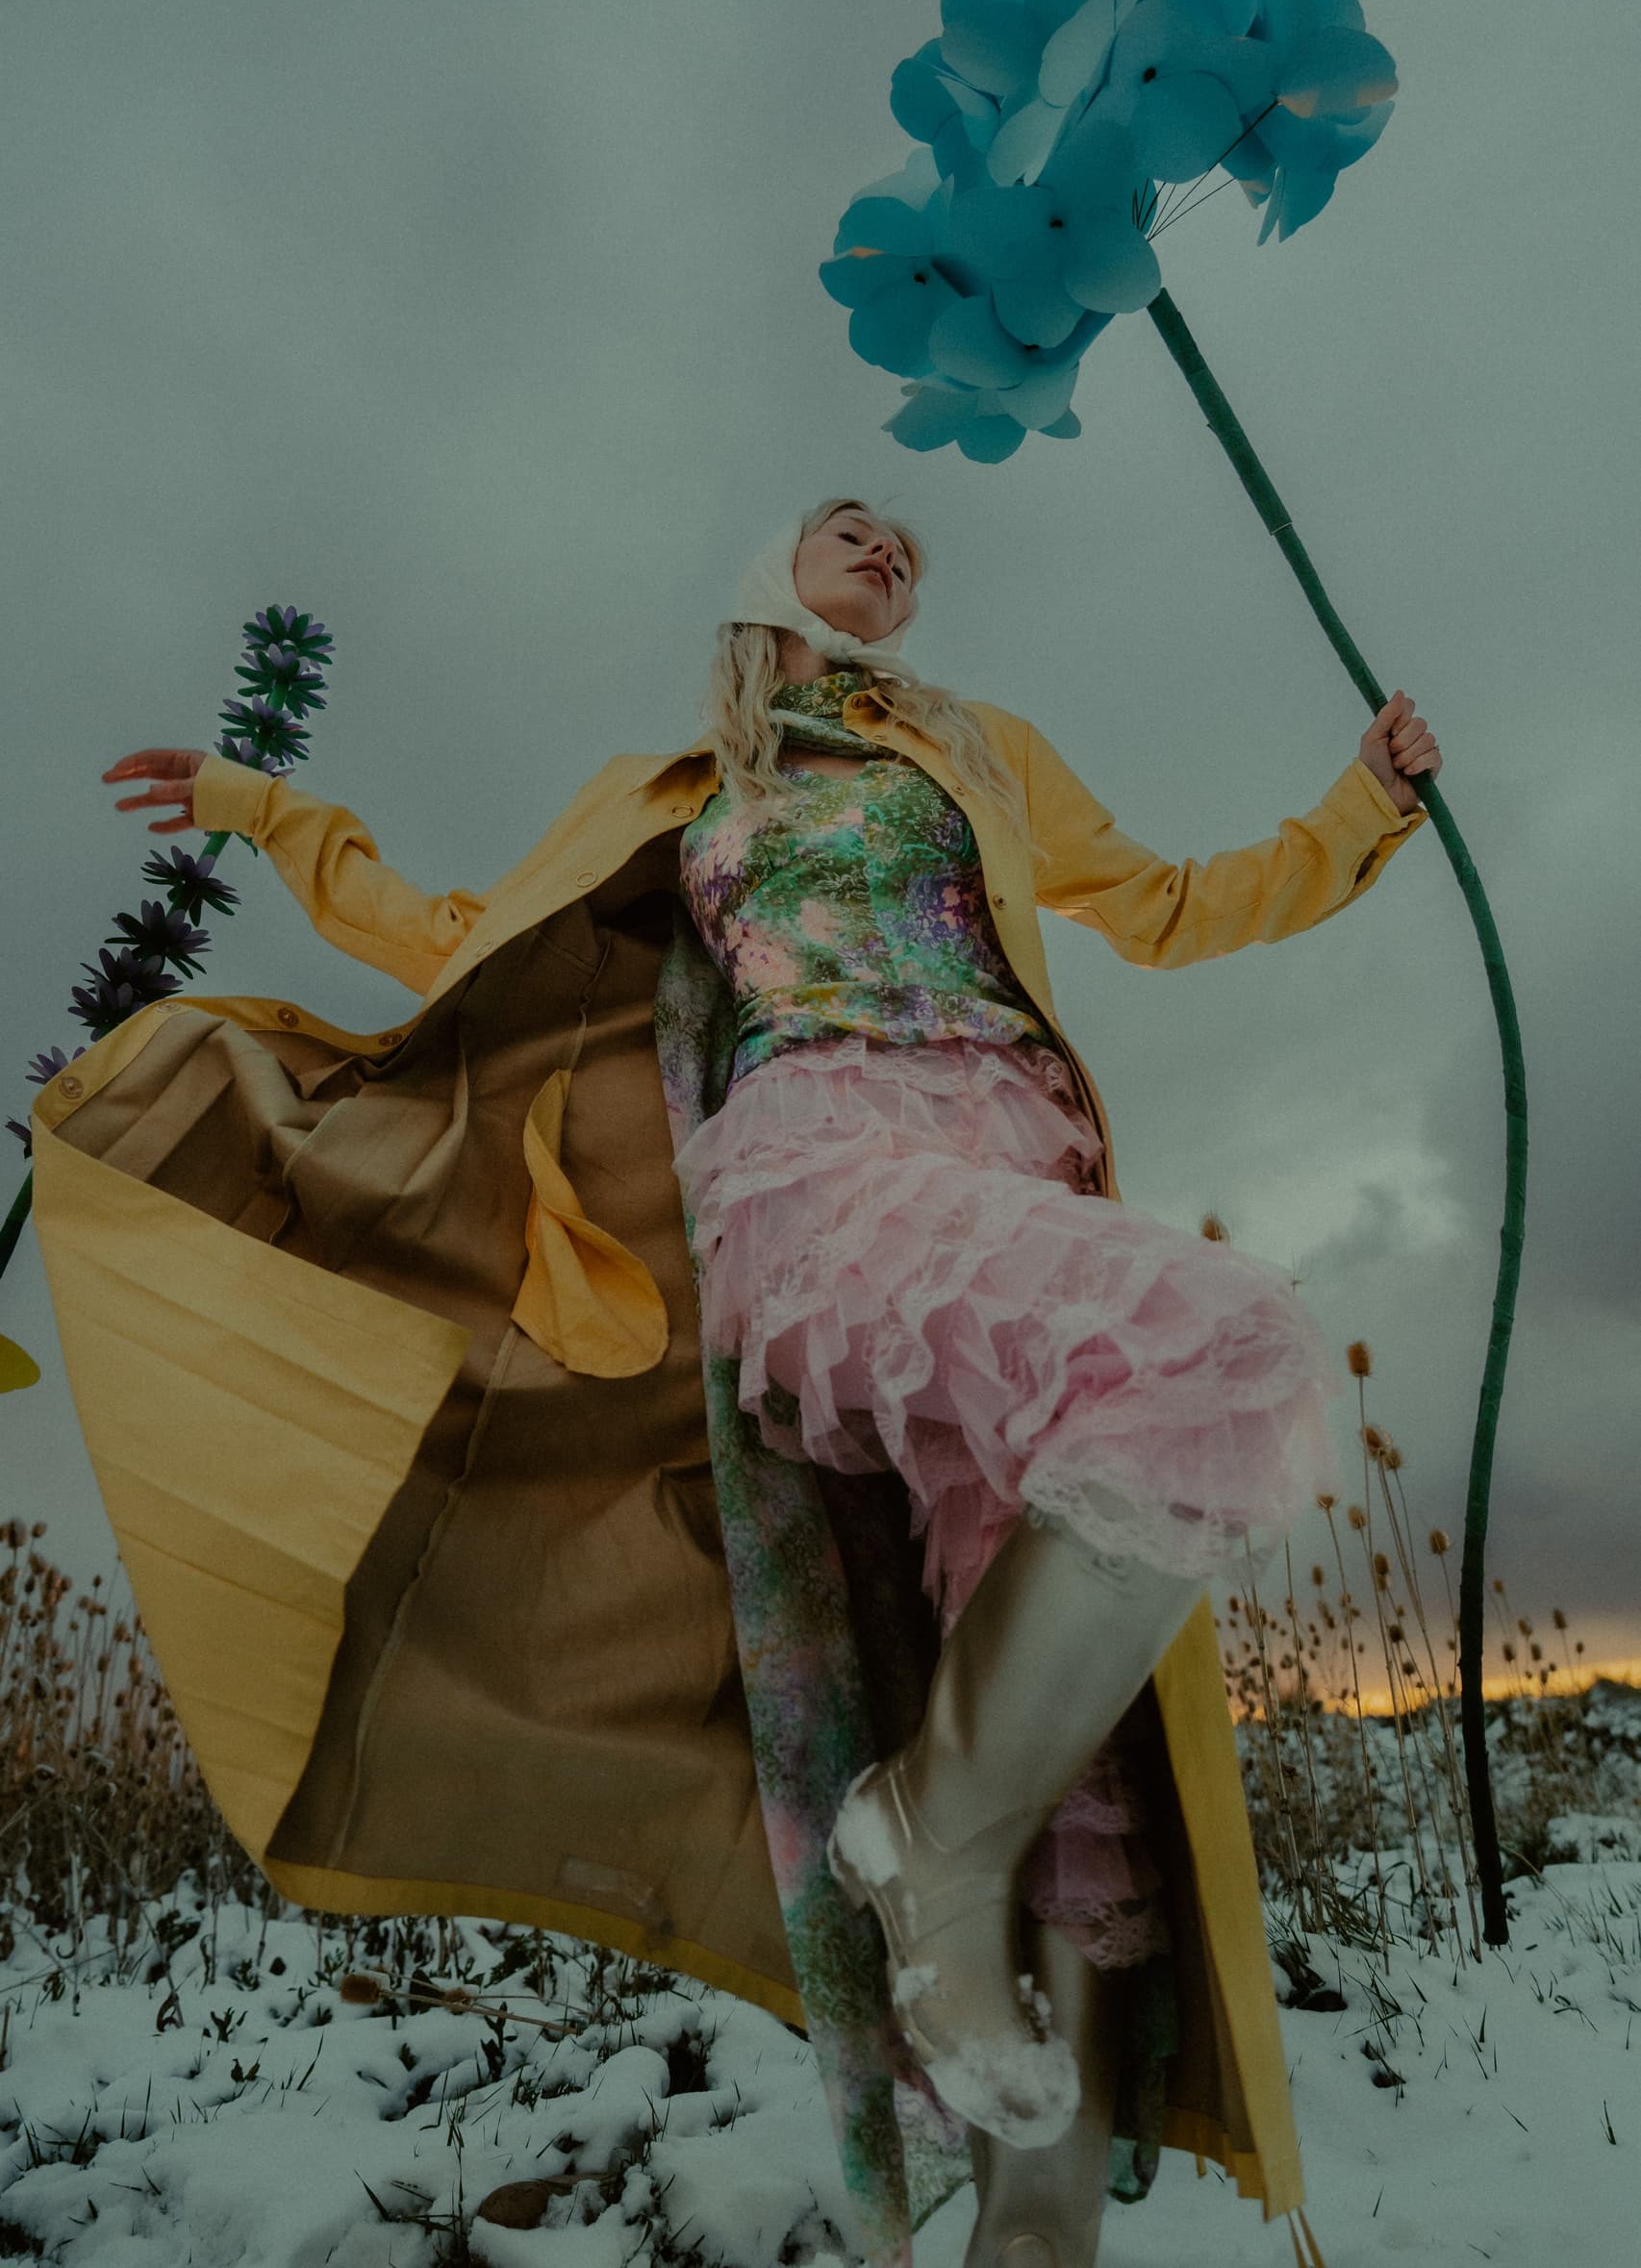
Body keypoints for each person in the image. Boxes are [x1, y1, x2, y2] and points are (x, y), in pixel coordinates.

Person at [79, 497, 1439, 2268]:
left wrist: (1364, 808)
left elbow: (1172, 907)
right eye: (847, 526)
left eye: (913, 547)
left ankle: (1009, 2135)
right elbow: (454, 937)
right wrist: (270, 810)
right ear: (766, 579)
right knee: (1224, 1345)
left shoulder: (975, 750)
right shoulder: (678, 786)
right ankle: (921, 1838)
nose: (893, 546)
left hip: (1012, 1189)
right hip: (828, 1173)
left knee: (1076, 1817)